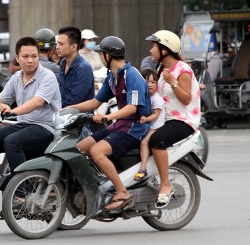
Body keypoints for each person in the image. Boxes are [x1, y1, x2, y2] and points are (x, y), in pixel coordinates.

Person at [69, 36, 152, 211]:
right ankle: (97, 184)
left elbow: (131, 108)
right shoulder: (111, 77)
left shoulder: (132, 75)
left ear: (107, 56)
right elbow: (94, 103)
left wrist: (108, 116)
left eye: (101, 53)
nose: (100, 56)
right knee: (77, 148)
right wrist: (68, 109)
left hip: (135, 128)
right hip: (119, 125)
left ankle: (122, 192)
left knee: (97, 151)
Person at [0, 36, 62, 190]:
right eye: (25, 56)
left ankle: (23, 191)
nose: (30, 61)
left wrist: (12, 112)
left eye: (34, 56)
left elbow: (37, 102)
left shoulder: (47, 76)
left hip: (45, 128)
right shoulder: (16, 77)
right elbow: (0, 100)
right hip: (24, 125)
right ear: (17, 58)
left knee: (12, 142)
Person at [145, 30, 201, 208]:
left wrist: (172, 82)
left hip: (183, 121)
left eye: (153, 46)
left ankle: (165, 185)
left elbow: (186, 99)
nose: (150, 50)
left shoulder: (182, 70)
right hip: (164, 118)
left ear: (164, 49)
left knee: (157, 140)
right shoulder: (162, 70)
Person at [134, 68, 165, 180]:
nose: (150, 85)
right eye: (147, 82)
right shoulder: (144, 96)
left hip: (155, 127)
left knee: (143, 142)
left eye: (153, 82)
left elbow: (156, 115)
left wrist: (146, 119)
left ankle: (143, 168)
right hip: (147, 126)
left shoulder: (157, 99)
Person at [54, 26, 95, 107]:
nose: (57, 47)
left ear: (73, 47)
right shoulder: (63, 63)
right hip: (63, 114)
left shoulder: (83, 68)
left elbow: (74, 100)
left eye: (61, 44)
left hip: (80, 117)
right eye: (57, 43)